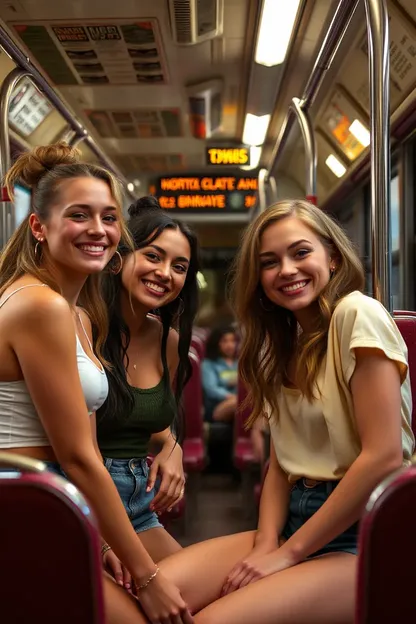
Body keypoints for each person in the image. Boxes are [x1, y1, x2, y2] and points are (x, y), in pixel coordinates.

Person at [119, 197, 413, 623]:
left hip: (366, 528)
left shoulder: (357, 313)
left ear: (332, 258)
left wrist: (287, 554)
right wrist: (265, 545)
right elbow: (280, 464)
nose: (287, 271)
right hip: (296, 517)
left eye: (300, 253)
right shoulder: (276, 346)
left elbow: (382, 456)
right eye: (270, 262)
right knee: (146, 600)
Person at [0, 144, 193, 624]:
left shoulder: (75, 314)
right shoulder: (40, 306)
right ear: (38, 227)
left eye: (109, 218)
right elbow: (79, 457)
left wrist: (108, 539)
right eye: (79, 215)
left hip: (64, 500)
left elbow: (84, 446)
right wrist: (146, 577)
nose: (98, 230)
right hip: (30, 505)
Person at [97, 196, 200, 562]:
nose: (165, 273)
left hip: (139, 502)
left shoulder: (167, 343)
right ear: (119, 256)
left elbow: (150, 419)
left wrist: (172, 448)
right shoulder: (82, 327)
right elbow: (68, 451)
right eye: (153, 256)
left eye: (179, 266)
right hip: (89, 503)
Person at [202, 327, 238, 423]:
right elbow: (211, 389)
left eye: (232, 341)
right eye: (225, 341)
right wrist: (230, 396)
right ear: (217, 343)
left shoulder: (239, 363)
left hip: (237, 402)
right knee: (239, 402)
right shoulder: (208, 364)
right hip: (216, 406)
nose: (230, 345)